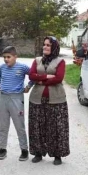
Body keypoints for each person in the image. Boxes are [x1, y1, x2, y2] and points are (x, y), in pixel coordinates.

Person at [28, 36, 69, 165]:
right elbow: (31, 75)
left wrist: (40, 80)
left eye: (48, 45)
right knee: (37, 126)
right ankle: (38, 153)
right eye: (44, 44)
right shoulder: (37, 60)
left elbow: (58, 78)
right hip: (36, 99)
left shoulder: (60, 61)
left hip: (56, 99)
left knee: (56, 127)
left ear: (54, 47)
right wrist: (45, 76)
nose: (45, 47)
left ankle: (57, 155)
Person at [0, 46, 30, 161]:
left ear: (15, 57)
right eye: (4, 57)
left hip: (16, 99)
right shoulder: (2, 68)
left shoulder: (22, 67)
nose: (6, 59)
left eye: (8, 57)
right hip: (3, 98)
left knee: (19, 126)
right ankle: (2, 149)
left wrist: (29, 86)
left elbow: (33, 75)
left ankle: (24, 150)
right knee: (3, 126)